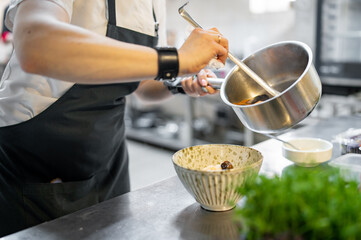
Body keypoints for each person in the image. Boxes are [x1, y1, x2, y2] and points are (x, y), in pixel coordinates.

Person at [0, 0, 228, 237]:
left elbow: (143, 83)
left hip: (109, 158)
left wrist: (180, 82)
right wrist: (176, 60)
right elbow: (36, 43)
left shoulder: (153, 3)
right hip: (35, 165)